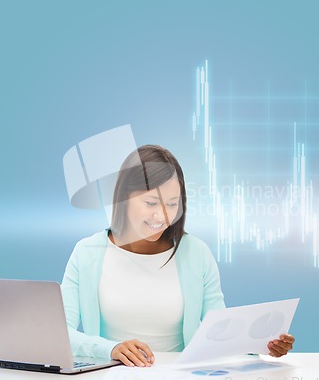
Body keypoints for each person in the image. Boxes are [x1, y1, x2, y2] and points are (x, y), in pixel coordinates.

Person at [61, 144, 295, 367]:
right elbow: (60, 332)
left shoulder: (196, 253)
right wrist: (110, 349)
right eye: (151, 203)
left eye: (172, 204)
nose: (161, 216)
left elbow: (222, 330)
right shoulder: (86, 254)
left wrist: (263, 344)